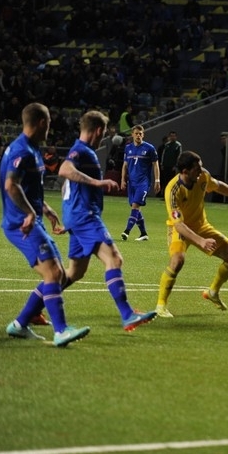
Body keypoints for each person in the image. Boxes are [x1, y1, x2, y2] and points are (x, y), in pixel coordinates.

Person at [57, 110, 157, 331]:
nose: (103, 137)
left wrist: (68, 218)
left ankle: (27, 315)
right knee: (114, 259)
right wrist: (97, 183)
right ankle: (127, 314)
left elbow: (67, 186)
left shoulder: (83, 151)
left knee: (75, 272)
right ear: (98, 130)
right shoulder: (82, 151)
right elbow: (65, 170)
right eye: (103, 133)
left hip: (77, 218)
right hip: (86, 217)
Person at [2, 102, 90, 347]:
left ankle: (20, 324)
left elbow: (27, 188)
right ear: (42, 122)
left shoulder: (29, 149)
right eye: (49, 123)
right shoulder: (22, 150)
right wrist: (30, 213)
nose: (50, 127)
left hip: (32, 220)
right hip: (21, 224)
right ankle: (61, 330)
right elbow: (11, 186)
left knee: (58, 275)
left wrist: (44, 209)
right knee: (54, 273)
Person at [155, 150, 228, 318]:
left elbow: (217, 185)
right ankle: (161, 306)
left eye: (201, 167)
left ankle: (212, 292)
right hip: (180, 229)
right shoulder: (173, 190)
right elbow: (178, 224)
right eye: (197, 169)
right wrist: (200, 241)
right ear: (185, 171)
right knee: (177, 261)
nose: (201, 171)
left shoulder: (203, 176)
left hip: (201, 226)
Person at [120, 124, 160, 241]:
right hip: (131, 182)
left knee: (135, 206)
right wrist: (122, 179)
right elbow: (125, 165)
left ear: (143, 135)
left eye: (140, 134)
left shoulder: (149, 148)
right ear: (132, 134)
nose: (138, 135)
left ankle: (127, 231)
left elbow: (155, 164)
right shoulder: (128, 148)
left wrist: (157, 180)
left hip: (143, 182)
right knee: (135, 207)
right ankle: (143, 233)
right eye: (136, 133)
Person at [159, 130, 182, 196]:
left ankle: (171, 194)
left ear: (176, 137)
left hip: (172, 166)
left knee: (171, 181)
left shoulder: (178, 145)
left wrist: (176, 165)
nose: (172, 137)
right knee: (165, 180)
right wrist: (162, 164)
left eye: (174, 136)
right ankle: (165, 194)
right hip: (165, 165)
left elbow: (179, 156)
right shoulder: (167, 145)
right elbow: (163, 155)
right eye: (171, 136)